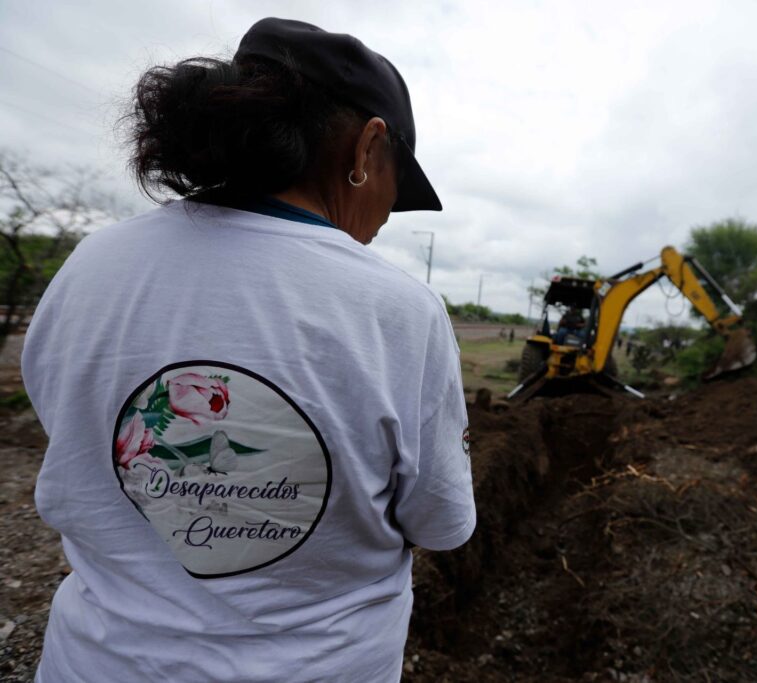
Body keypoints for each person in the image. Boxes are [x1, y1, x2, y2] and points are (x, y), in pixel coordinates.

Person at [21, 18, 475, 683]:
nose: (383, 217)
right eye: (396, 187)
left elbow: (77, 444)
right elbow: (438, 520)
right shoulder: (399, 310)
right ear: (367, 148)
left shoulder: (91, 267)